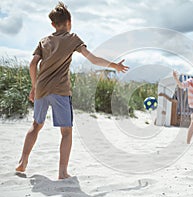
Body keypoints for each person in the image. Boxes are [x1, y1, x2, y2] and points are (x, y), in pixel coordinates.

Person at [15, 2, 129, 179]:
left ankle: (22, 162)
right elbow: (93, 59)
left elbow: (32, 64)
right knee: (66, 132)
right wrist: (114, 65)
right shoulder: (73, 38)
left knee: (36, 125)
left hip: (42, 88)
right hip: (60, 91)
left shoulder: (44, 41)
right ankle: (62, 172)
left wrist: (34, 86)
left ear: (52, 24)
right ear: (70, 21)